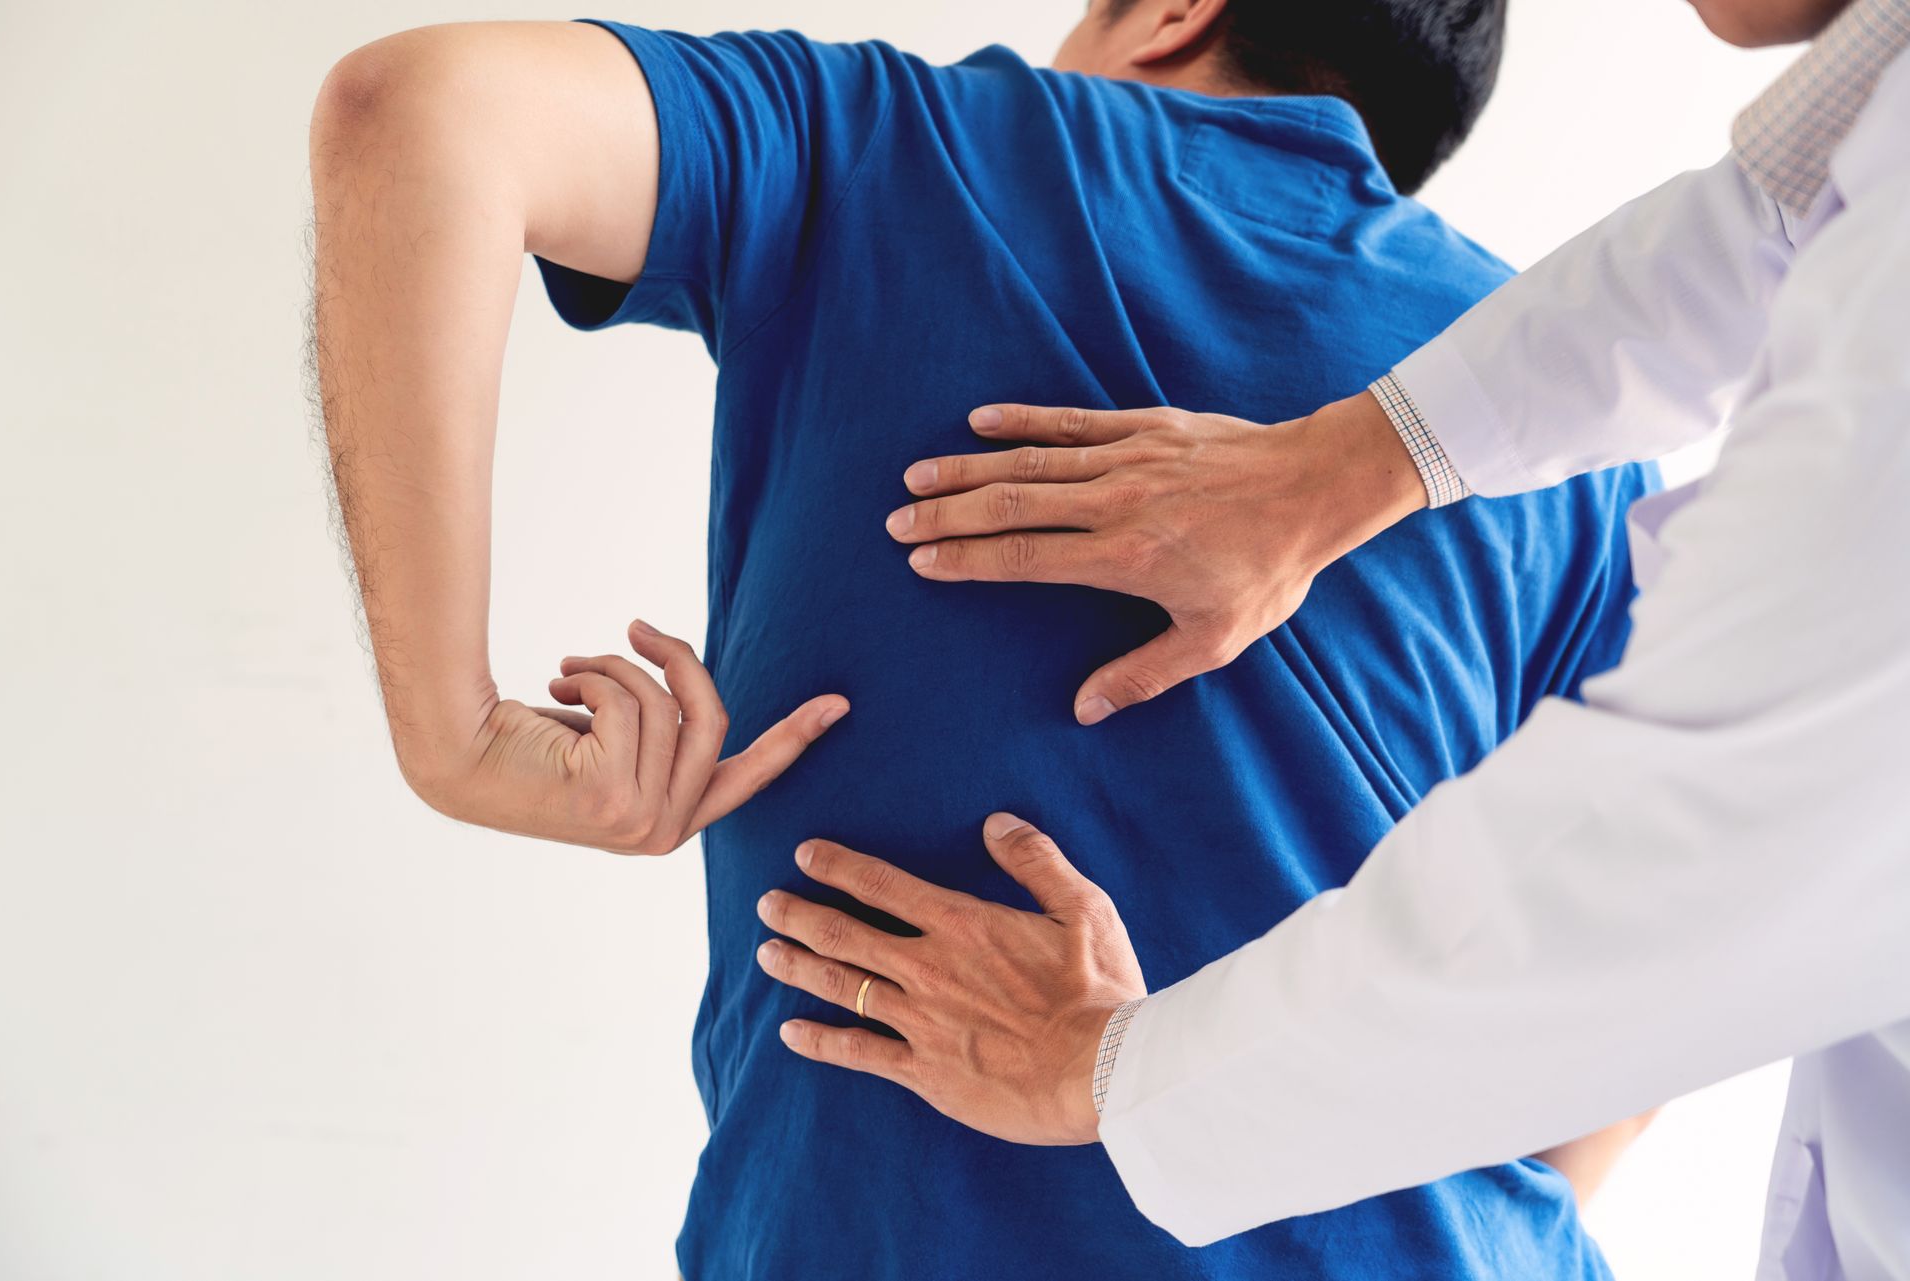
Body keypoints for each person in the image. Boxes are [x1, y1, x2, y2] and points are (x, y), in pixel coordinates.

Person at [308, 1, 1660, 1276]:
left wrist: (458, 736)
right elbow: (1638, 981)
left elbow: (423, 109)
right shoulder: (1557, 424)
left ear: (1179, 5)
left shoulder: (894, 151)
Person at [753, 0, 1910, 1274]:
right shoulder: (1597, 471)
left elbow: (1681, 858)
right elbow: (1763, 220)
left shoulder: (909, 158)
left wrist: (1108, 1076)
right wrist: (1351, 461)